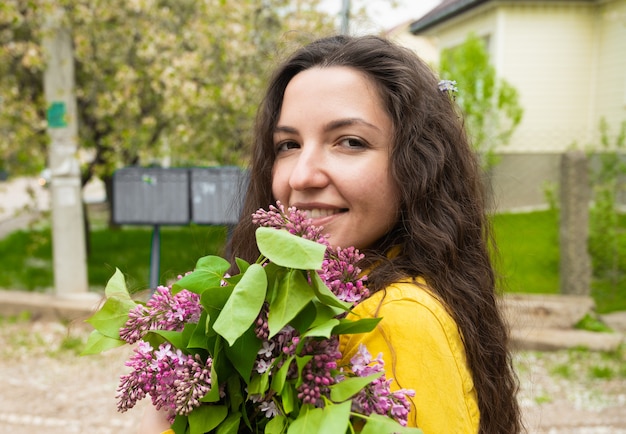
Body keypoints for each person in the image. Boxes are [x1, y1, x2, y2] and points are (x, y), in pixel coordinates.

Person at [141, 34, 522, 433]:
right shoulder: (305, 304)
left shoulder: (391, 322)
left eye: (349, 142)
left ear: (418, 163)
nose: (302, 176)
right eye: (288, 145)